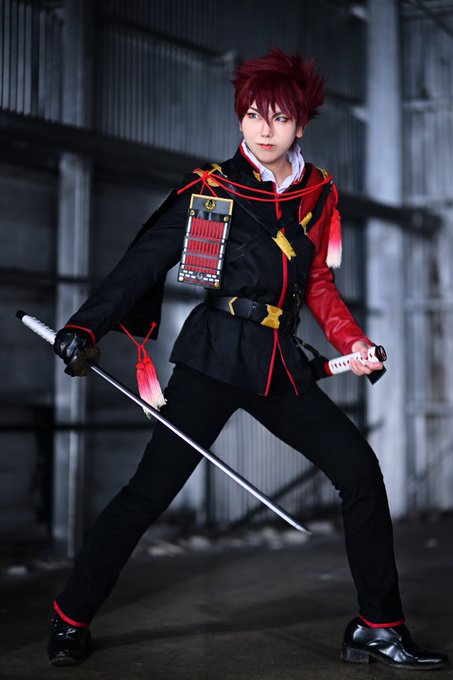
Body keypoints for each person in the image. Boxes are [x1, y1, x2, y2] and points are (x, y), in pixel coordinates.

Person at [47, 48, 449, 670]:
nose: (265, 129)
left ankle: (378, 626)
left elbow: (318, 283)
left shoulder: (318, 192)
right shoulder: (211, 189)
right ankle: (71, 618)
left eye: (280, 118)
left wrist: (352, 343)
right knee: (149, 494)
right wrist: (83, 325)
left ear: (301, 124)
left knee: (361, 474)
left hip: (279, 366)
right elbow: (140, 266)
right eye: (255, 115)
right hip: (212, 358)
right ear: (240, 117)